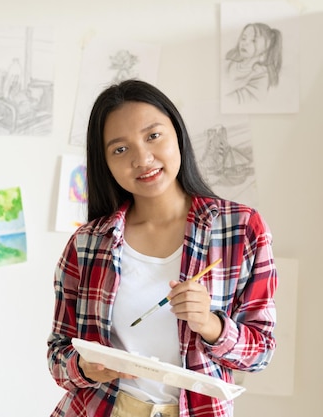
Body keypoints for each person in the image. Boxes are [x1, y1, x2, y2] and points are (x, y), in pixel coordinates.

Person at [47, 79, 277, 417]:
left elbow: (261, 353)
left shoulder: (240, 229)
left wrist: (210, 324)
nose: (142, 158)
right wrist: (84, 366)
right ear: (105, 162)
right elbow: (57, 357)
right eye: (120, 149)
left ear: (178, 135)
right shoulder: (87, 244)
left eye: (153, 136)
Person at [223, 22, 282, 104]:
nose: (245, 43)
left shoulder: (261, 75)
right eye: (243, 38)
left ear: (266, 48)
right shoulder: (228, 64)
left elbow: (243, 102)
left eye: (253, 41)